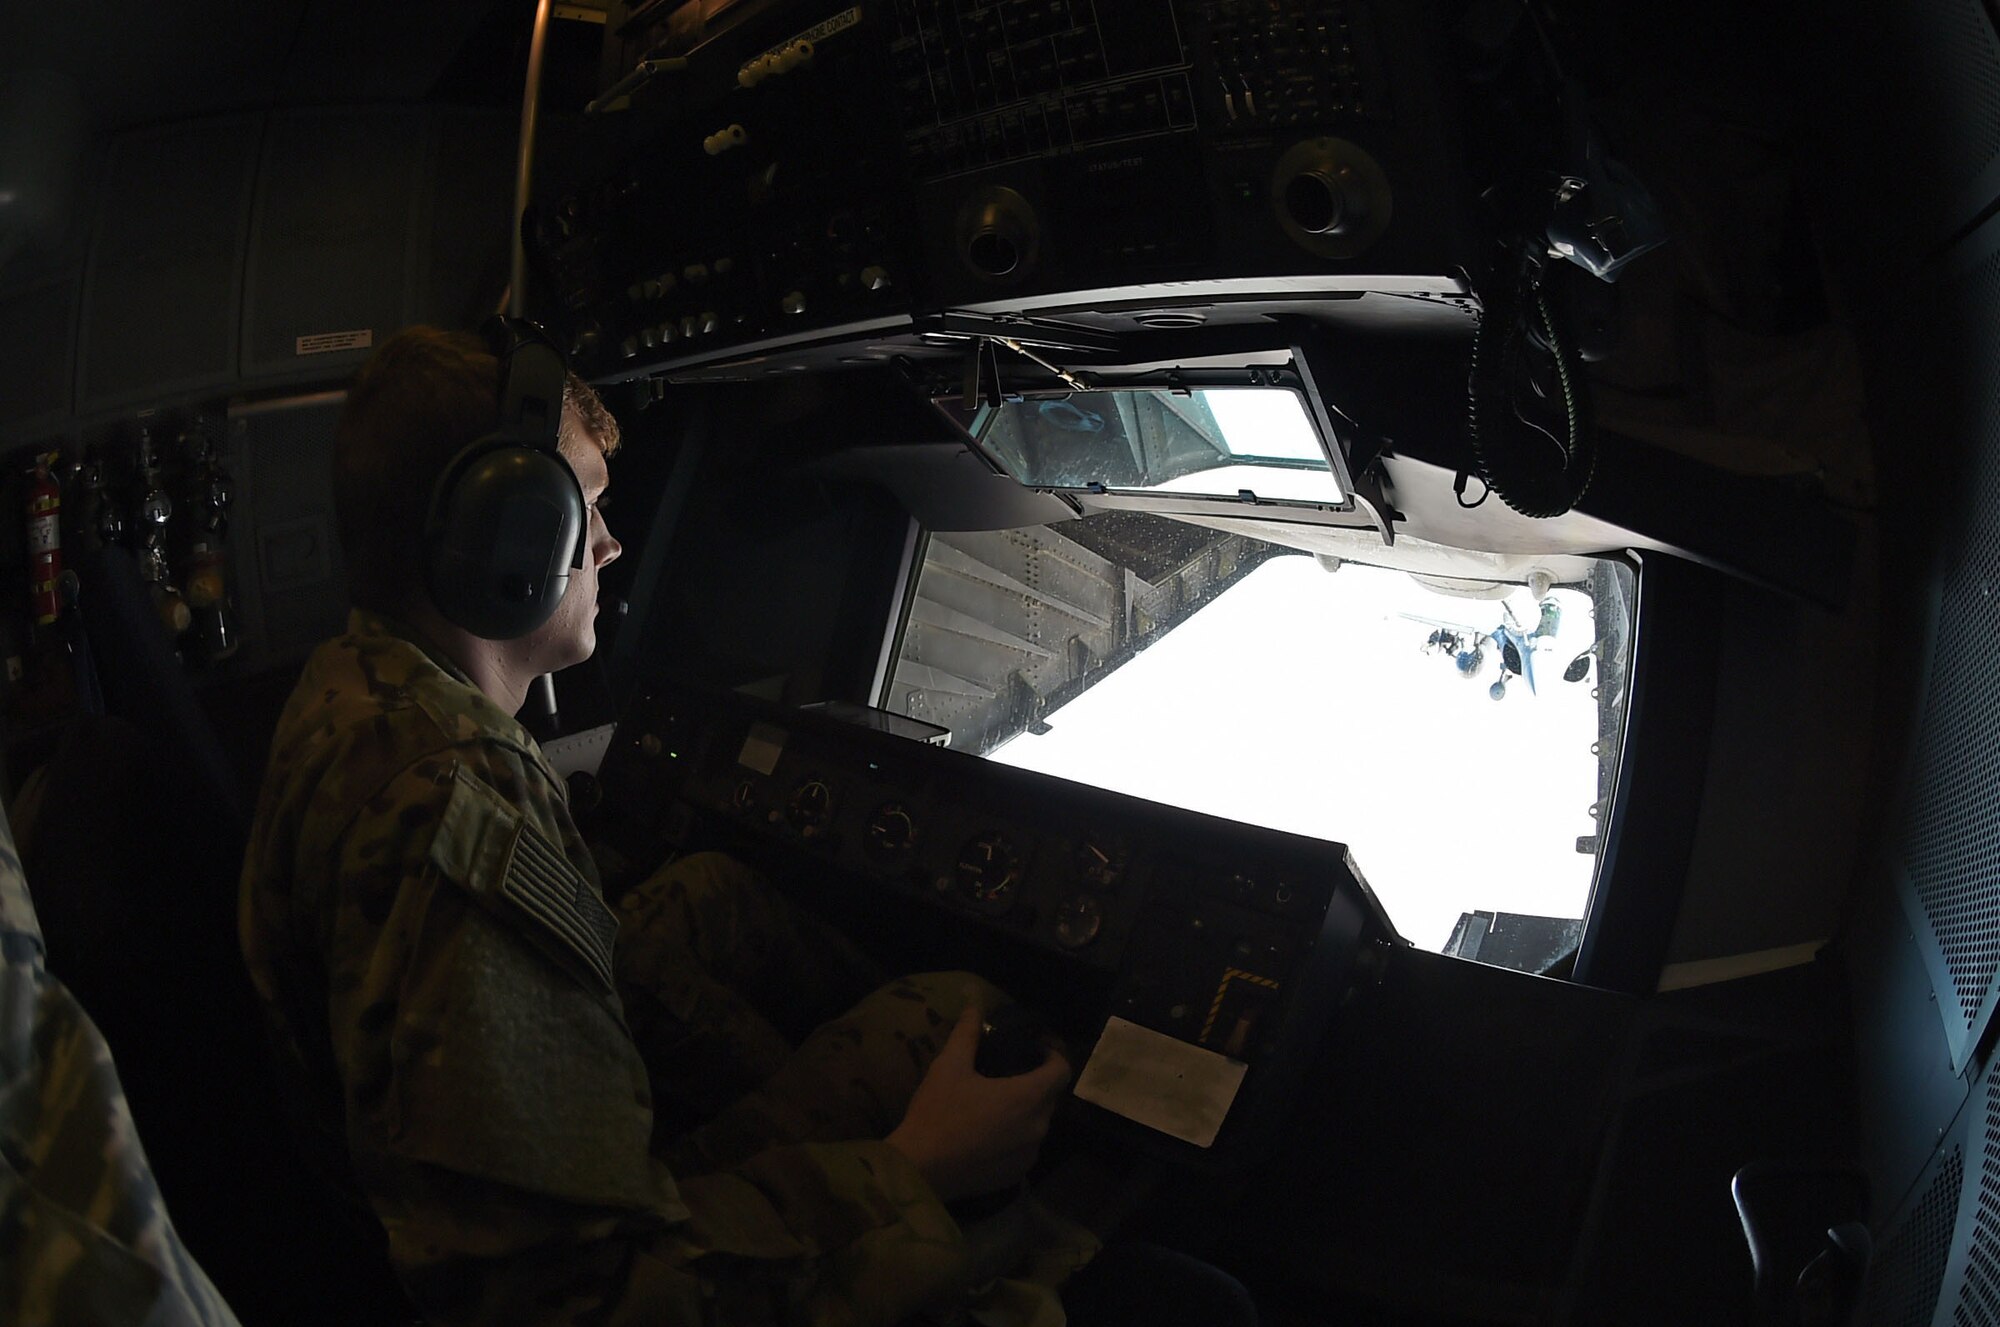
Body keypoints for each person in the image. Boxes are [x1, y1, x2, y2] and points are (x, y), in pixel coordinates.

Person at [237, 324, 1094, 1327]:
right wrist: (915, 1165)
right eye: (588, 508)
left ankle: (814, 1105)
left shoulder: (357, 684)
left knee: (713, 893)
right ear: (508, 535)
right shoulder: (457, 816)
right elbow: (575, 1299)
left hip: (427, 1156)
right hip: (610, 1277)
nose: (610, 544)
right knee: (954, 1013)